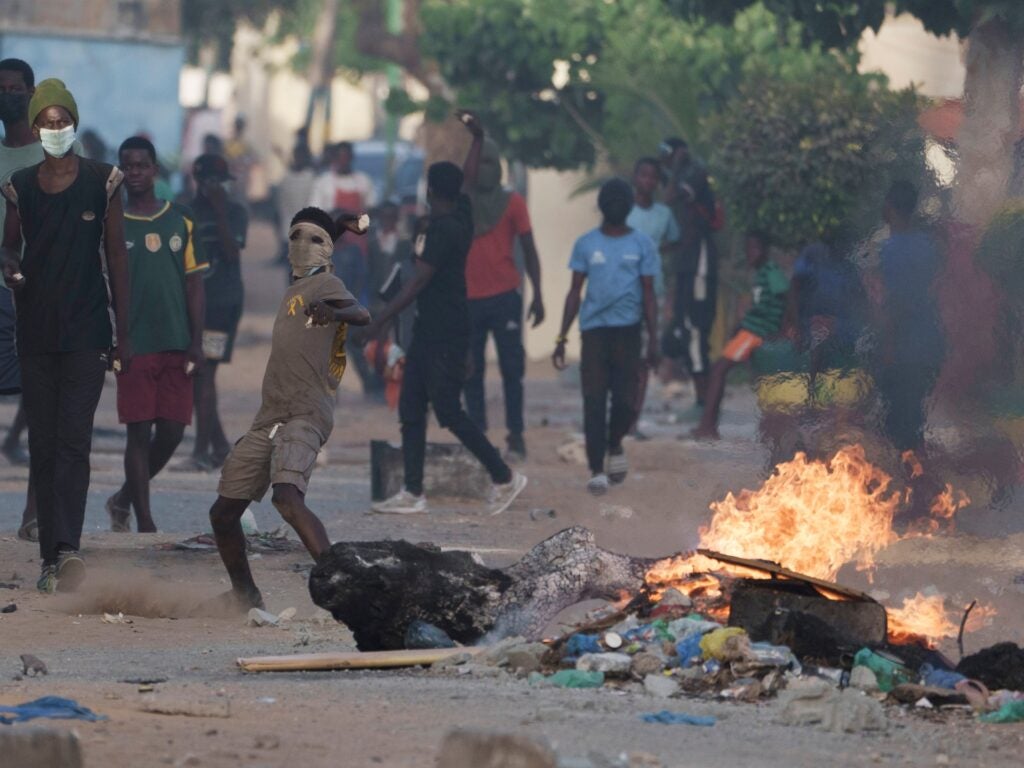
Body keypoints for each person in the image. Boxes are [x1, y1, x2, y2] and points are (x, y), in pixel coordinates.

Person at [1, 78, 132, 593]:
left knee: (74, 440)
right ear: (35, 128)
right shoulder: (22, 187)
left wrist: (125, 332)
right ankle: (48, 560)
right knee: (45, 444)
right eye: (47, 122)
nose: (55, 129)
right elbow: (9, 249)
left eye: (63, 121)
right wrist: (11, 270)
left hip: (87, 331)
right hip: (35, 330)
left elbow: (117, 256)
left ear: (73, 123)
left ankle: (67, 550)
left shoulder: (104, 181)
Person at [206, 208, 370, 610]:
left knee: (286, 498)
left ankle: (345, 590)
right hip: (270, 416)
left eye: (313, 239)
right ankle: (245, 594)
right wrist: (336, 223)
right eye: (295, 235)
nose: (301, 244)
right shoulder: (295, 291)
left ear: (327, 249)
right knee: (223, 513)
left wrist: (335, 311)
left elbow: (361, 313)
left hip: (304, 411)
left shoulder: (328, 284)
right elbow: (318, 237)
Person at [366, 112, 527, 515]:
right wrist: (477, 137)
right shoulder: (461, 212)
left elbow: (419, 281)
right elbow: (468, 178)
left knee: (449, 411)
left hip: (446, 332)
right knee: (411, 408)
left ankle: (504, 475)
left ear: (428, 190)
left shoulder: (443, 230)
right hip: (430, 330)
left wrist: (384, 317)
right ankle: (413, 491)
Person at [105, 136, 207, 533]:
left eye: (141, 166)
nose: (134, 173)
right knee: (138, 431)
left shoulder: (180, 218)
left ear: (154, 170)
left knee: (171, 432)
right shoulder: (113, 223)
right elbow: (108, 285)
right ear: (119, 173)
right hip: (134, 343)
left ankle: (123, 498)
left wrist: (197, 342)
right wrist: (119, 337)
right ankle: (144, 520)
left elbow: (195, 284)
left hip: (177, 341)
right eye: (127, 166)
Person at [552, 178, 660, 495]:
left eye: (620, 199)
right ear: (601, 206)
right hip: (594, 332)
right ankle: (596, 469)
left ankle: (614, 444)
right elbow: (574, 292)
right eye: (609, 200)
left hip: (629, 332)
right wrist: (561, 338)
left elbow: (649, 294)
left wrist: (653, 339)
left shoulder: (643, 245)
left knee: (626, 401)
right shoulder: (585, 244)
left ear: (629, 207)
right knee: (594, 400)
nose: (615, 205)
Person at [463, 138, 544, 461]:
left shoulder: (513, 203)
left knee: (512, 369)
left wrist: (537, 294)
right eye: (477, 163)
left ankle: (516, 433)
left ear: (498, 167)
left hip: (505, 296)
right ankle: (478, 432)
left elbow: (529, 248)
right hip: (468, 298)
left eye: (489, 163)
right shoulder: (462, 203)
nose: (483, 170)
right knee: (471, 370)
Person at [180, 154, 248, 471]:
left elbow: (232, 252)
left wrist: (220, 211)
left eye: (222, 182)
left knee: (205, 372)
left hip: (222, 305)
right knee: (198, 375)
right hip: (194, 305)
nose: (219, 188)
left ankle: (201, 452)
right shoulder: (186, 213)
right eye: (213, 182)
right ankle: (218, 446)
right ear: (201, 182)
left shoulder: (235, 212)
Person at [692, 231, 789, 440]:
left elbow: (787, 297)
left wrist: (783, 329)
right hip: (750, 329)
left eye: (754, 248)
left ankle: (708, 425)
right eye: (748, 249)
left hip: (756, 332)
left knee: (719, 370)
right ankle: (768, 429)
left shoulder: (771, 271)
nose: (750, 253)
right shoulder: (760, 273)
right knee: (757, 378)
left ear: (764, 249)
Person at [874, 181, 945, 452]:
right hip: (930, 341)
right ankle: (914, 476)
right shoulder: (928, 245)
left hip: (904, 347)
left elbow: (898, 303)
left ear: (889, 207)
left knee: (898, 423)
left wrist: (888, 344)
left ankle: (904, 481)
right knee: (913, 416)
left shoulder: (892, 249)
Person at [660, 137, 718, 418]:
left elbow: (670, 197)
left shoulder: (693, 173)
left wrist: (680, 163)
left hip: (699, 264)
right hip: (685, 263)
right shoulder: (679, 174)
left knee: (695, 330)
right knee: (681, 329)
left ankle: (705, 405)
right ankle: (700, 400)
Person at [627, 157, 680, 435]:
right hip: (622, 293)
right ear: (635, 177)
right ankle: (619, 417)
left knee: (645, 358)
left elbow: (674, 240)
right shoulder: (623, 210)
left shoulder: (664, 215)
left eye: (652, 177)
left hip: (653, 294)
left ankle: (633, 422)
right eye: (643, 175)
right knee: (622, 356)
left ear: (657, 182)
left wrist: (655, 256)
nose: (647, 181)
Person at [275, 141, 316, 265]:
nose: (299, 158)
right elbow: (282, 206)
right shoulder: (286, 178)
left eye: (302, 155)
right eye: (297, 155)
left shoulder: (312, 178)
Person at [308, 141, 377, 214]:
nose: (343, 162)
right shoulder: (323, 181)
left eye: (346, 158)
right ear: (334, 158)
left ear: (351, 158)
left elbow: (371, 208)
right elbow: (315, 210)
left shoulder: (363, 180)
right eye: (340, 157)